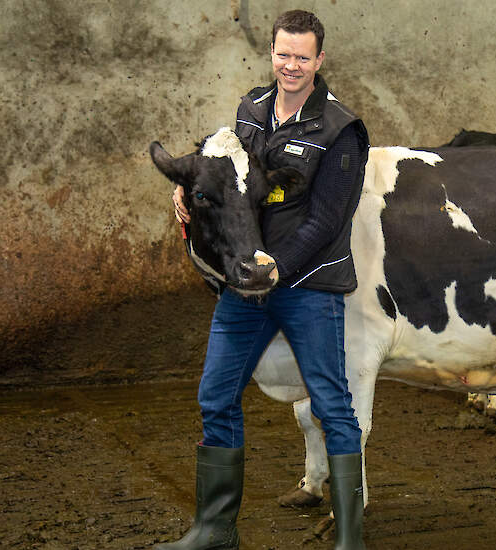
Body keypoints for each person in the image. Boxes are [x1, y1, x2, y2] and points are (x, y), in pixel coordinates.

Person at [157, 9, 369, 550]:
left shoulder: (341, 130)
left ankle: (350, 538)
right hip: (246, 284)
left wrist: (279, 267)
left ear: (319, 60)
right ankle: (214, 529)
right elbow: (226, 162)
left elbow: (328, 220)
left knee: (332, 404)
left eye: (302, 56)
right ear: (271, 52)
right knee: (215, 396)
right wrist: (190, 186)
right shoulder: (252, 107)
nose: (291, 65)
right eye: (283, 54)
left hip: (308, 285)